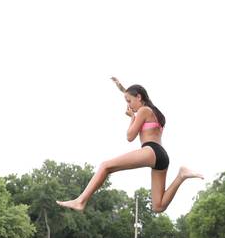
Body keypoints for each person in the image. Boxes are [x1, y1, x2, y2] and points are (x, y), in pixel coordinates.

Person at [57, 79, 202, 213]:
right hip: (161, 156)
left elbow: (130, 136)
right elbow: (133, 97)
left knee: (105, 166)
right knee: (158, 206)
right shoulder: (155, 112)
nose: (129, 105)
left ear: (139, 97)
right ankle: (181, 176)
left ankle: (80, 201)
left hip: (151, 150)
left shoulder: (144, 111)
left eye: (129, 101)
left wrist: (132, 118)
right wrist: (121, 88)